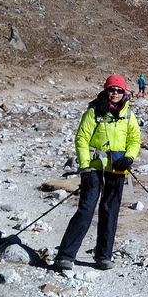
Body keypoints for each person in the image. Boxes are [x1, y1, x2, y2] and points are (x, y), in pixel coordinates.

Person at [53, 75, 141, 271]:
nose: (115, 93)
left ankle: (103, 256)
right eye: (112, 89)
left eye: (119, 90)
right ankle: (65, 256)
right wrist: (85, 167)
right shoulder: (93, 112)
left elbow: (135, 140)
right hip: (93, 168)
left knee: (110, 211)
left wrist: (130, 157)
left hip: (117, 168)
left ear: (125, 92)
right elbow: (81, 140)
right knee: (86, 210)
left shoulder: (128, 115)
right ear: (105, 91)